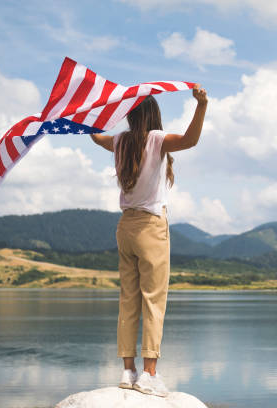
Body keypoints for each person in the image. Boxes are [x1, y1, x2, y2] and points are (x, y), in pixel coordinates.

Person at [90, 84, 208, 397]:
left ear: (131, 116)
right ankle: (149, 375)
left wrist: (91, 114)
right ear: (154, 115)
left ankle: (127, 371)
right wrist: (201, 105)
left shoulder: (120, 142)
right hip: (151, 229)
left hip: (125, 229)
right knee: (153, 302)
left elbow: (96, 136)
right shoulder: (155, 139)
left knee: (128, 301)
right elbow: (190, 139)